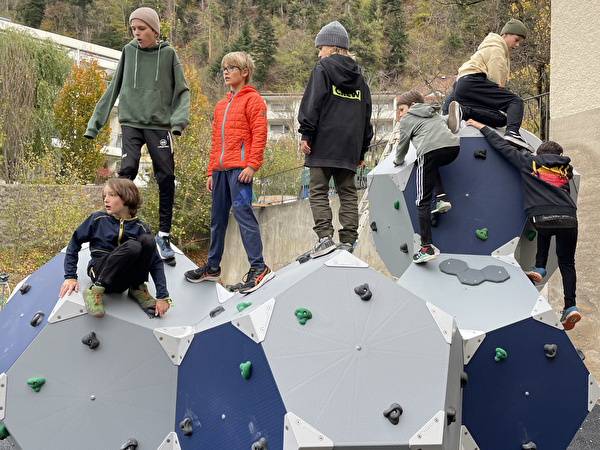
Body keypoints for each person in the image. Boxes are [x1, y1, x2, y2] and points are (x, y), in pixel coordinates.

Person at [84, 7, 190, 263]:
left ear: (154, 30)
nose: (137, 33)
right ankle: (115, 230)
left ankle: (163, 234)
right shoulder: (128, 51)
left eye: (141, 29)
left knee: (165, 176)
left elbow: (183, 91)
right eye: (133, 29)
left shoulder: (168, 55)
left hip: (158, 125)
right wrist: (94, 124)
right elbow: (113, 88)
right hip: (131, 121)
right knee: (126, 172)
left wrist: (177, 122)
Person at [466, 119, 580, 330]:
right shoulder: (566, 170)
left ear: (538, 154)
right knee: (567, 263)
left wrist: (482, 126)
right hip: (569, 219)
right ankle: (571, 306)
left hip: (543, 217)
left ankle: (539, 268)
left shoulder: (531, 163)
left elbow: (501, 147)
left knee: (543, 232)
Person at [183, 51, 274, 294]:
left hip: (240, 172)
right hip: (221, 173)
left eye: (230, 68)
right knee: (217, 219)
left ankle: (259, 268)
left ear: (244, 72)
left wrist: (252, 165)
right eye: (223, 68)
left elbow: (260, 135)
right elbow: (215, 141)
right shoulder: (221, 105)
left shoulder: (253, 100)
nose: (225, 72)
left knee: (244, 216)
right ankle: (212, 267)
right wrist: (210, 172)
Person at [298, 21, 373, 257]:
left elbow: (313, 103)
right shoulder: (360, 78)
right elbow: (366, 115)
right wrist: (361, 150)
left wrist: (306, 133)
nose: (319, 53)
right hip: (349, 147)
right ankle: (349, 241)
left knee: (318, 191)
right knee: (348, 193)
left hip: (323, 143)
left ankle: (324, 238)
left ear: (333, 46)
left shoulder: (322, 69)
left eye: (320, 48)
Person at [60, 179, 171, 318]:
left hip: (123, 280)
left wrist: (163, 296)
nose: (106, 200)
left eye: (112, 195)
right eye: (105, 195)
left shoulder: (140, 228)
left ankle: (136, 287)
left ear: (127, 196)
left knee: (147, 240)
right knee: (133, 245)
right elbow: (74, 244)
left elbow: (155, 262)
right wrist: (70, 276)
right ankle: (94, 290)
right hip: (99, 272)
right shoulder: (97, 219)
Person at [444, 19, 532, 152]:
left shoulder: (489, 48)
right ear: (505, 35)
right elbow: (495, 80)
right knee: (516, 101)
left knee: (500, 119)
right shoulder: (497, 48)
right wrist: (503, 105)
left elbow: (454, 92)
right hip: (474, 80)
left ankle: (462, 111)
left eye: (520, 42)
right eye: (516, 39)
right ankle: (513, 134)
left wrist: (445, 116)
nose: (517, 44)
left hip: (463, 87)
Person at [393, 91, 460, 263]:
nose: (399, 115)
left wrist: (398, 160)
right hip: (452, 149)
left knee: (421, 201)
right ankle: (442, 197)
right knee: (430, 167)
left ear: (413, 106)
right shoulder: (433, 113)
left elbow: (403, 144)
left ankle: (426, 248)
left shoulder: (408, 119)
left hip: (429, 151)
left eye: (401, 109)